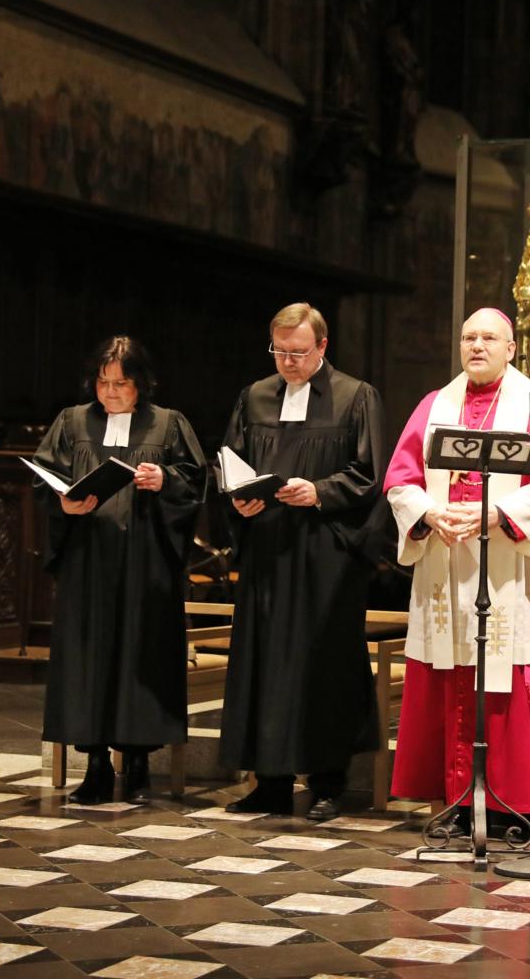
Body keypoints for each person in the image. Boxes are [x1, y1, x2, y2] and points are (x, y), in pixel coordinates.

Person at [384, 307, 530, 829]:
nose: (477, 346)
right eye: (469, 337)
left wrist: (498, 514)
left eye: (489, 338)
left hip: (509, 568)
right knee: (449, 674)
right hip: (447, 563)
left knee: (508, 678)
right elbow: (400, 479)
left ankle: (512, 803)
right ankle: (454, 797)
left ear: (511, 348)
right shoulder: (435, 405)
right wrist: (426, 513)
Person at [217, 303, 387, 821]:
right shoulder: (255, 396)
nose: (287, 362)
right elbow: (230, 460)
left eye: (298, 352)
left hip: (326, 555)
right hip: (268, 550)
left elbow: (371, 474)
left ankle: (328, 782)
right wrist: (237, 499)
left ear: (322, 347)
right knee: (263, 663)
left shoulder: (356, 397)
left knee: (323, 664)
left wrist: (318, 491)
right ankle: (268, 780)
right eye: (280, 352)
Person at [33, 337, 206, 805]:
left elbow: (195, 482)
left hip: (145, 563)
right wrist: (63, 502)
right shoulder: (72, 421)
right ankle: (93, 766)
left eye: (121, 384)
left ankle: (136, 764)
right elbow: (44, 480)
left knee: (141, 655)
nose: (109, 393)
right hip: (88, 563)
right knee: (88, 661)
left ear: (141, 384)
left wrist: (164, 479)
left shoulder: (168, 424)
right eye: (102, 382)